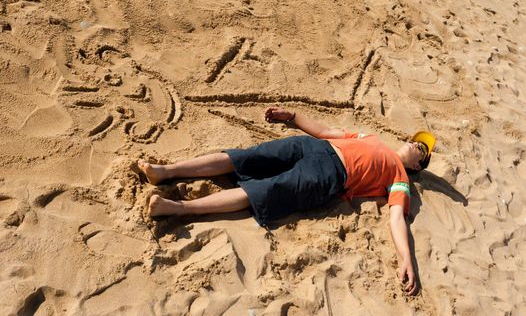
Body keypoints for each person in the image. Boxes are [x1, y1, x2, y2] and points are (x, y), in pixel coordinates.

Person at [138, 107, 436, 295]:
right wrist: (293, 118)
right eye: (416, 140)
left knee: (263, 191)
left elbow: (396, 218)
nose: (415, 144)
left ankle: (176, 208)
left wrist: (406, 258)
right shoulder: (371, 137)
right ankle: (165, 171)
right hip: (313, 146)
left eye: (421, 150)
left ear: (416, 167)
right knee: (244, 157)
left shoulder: (398, 177)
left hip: (330, 174)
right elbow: (327, 132)